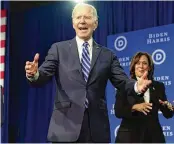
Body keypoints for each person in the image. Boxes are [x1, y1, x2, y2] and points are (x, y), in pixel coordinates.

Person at [24, 3, 151, 143]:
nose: (82, 21)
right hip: (65, 127)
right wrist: (34, 74)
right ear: (73, 23)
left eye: (87, 17)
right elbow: (42, 76)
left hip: (96, 130)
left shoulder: (107, 55)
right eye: (78, 17)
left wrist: (136, 87)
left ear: (95, 24)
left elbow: (122, 81)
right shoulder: (58, 49)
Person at [114, 52, 174, 143]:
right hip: (129, 137)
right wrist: (135, 107)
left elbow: (168, 114)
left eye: (144, 63)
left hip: (153, 137)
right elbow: (118, 111)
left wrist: (167, 106)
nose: (141, 66)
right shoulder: (125, 85)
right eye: (138, 63)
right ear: (133, 67)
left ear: (149, 67)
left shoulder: (158, 86)